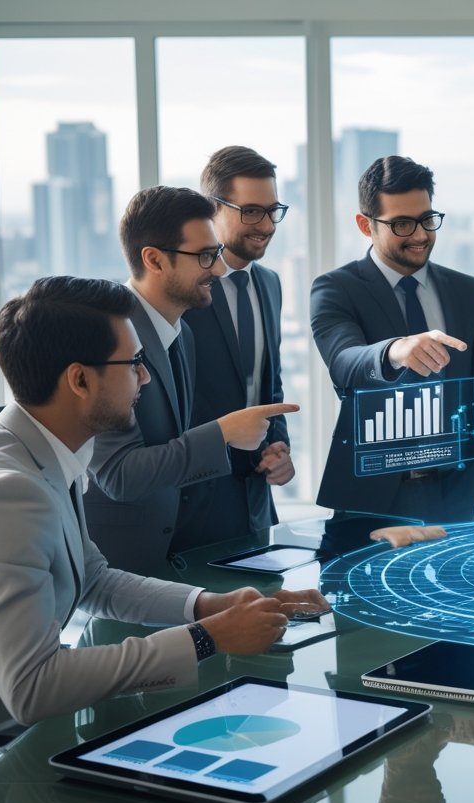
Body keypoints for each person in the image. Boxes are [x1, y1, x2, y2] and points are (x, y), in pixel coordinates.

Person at [0, 276, 325, 734]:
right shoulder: (8, 492)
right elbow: (33, 687)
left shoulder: (38, 445)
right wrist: (207, 640)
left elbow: (94, 579)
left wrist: (211, 606)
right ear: (79, 379)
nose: (145, 377)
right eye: (134, 363)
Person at [84, 186, 297, 574]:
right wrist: (223, 433)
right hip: (127, 566)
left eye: (215, 253)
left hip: (183, 552)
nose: (218, 269)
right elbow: (117, 475)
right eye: (204, 256)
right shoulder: (108, 337)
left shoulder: (182, 332)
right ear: (154, 259)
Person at [310, 156, 474, 523]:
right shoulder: (336, 288)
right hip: (374, 496)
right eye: (401, 224)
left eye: (427, 219)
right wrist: (395, 352)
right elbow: (344, 362)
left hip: (457, 493)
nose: (420, 234)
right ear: (365, 225)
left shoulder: (466, 290)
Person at [174, 146, 292, 551]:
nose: (266, 225)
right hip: (192, 509)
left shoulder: (271, 283)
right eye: (251, 211)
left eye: (273, 210)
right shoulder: (181, 289)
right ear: (212, 208)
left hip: (257, 504)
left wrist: (279, 446)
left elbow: (267, 385)